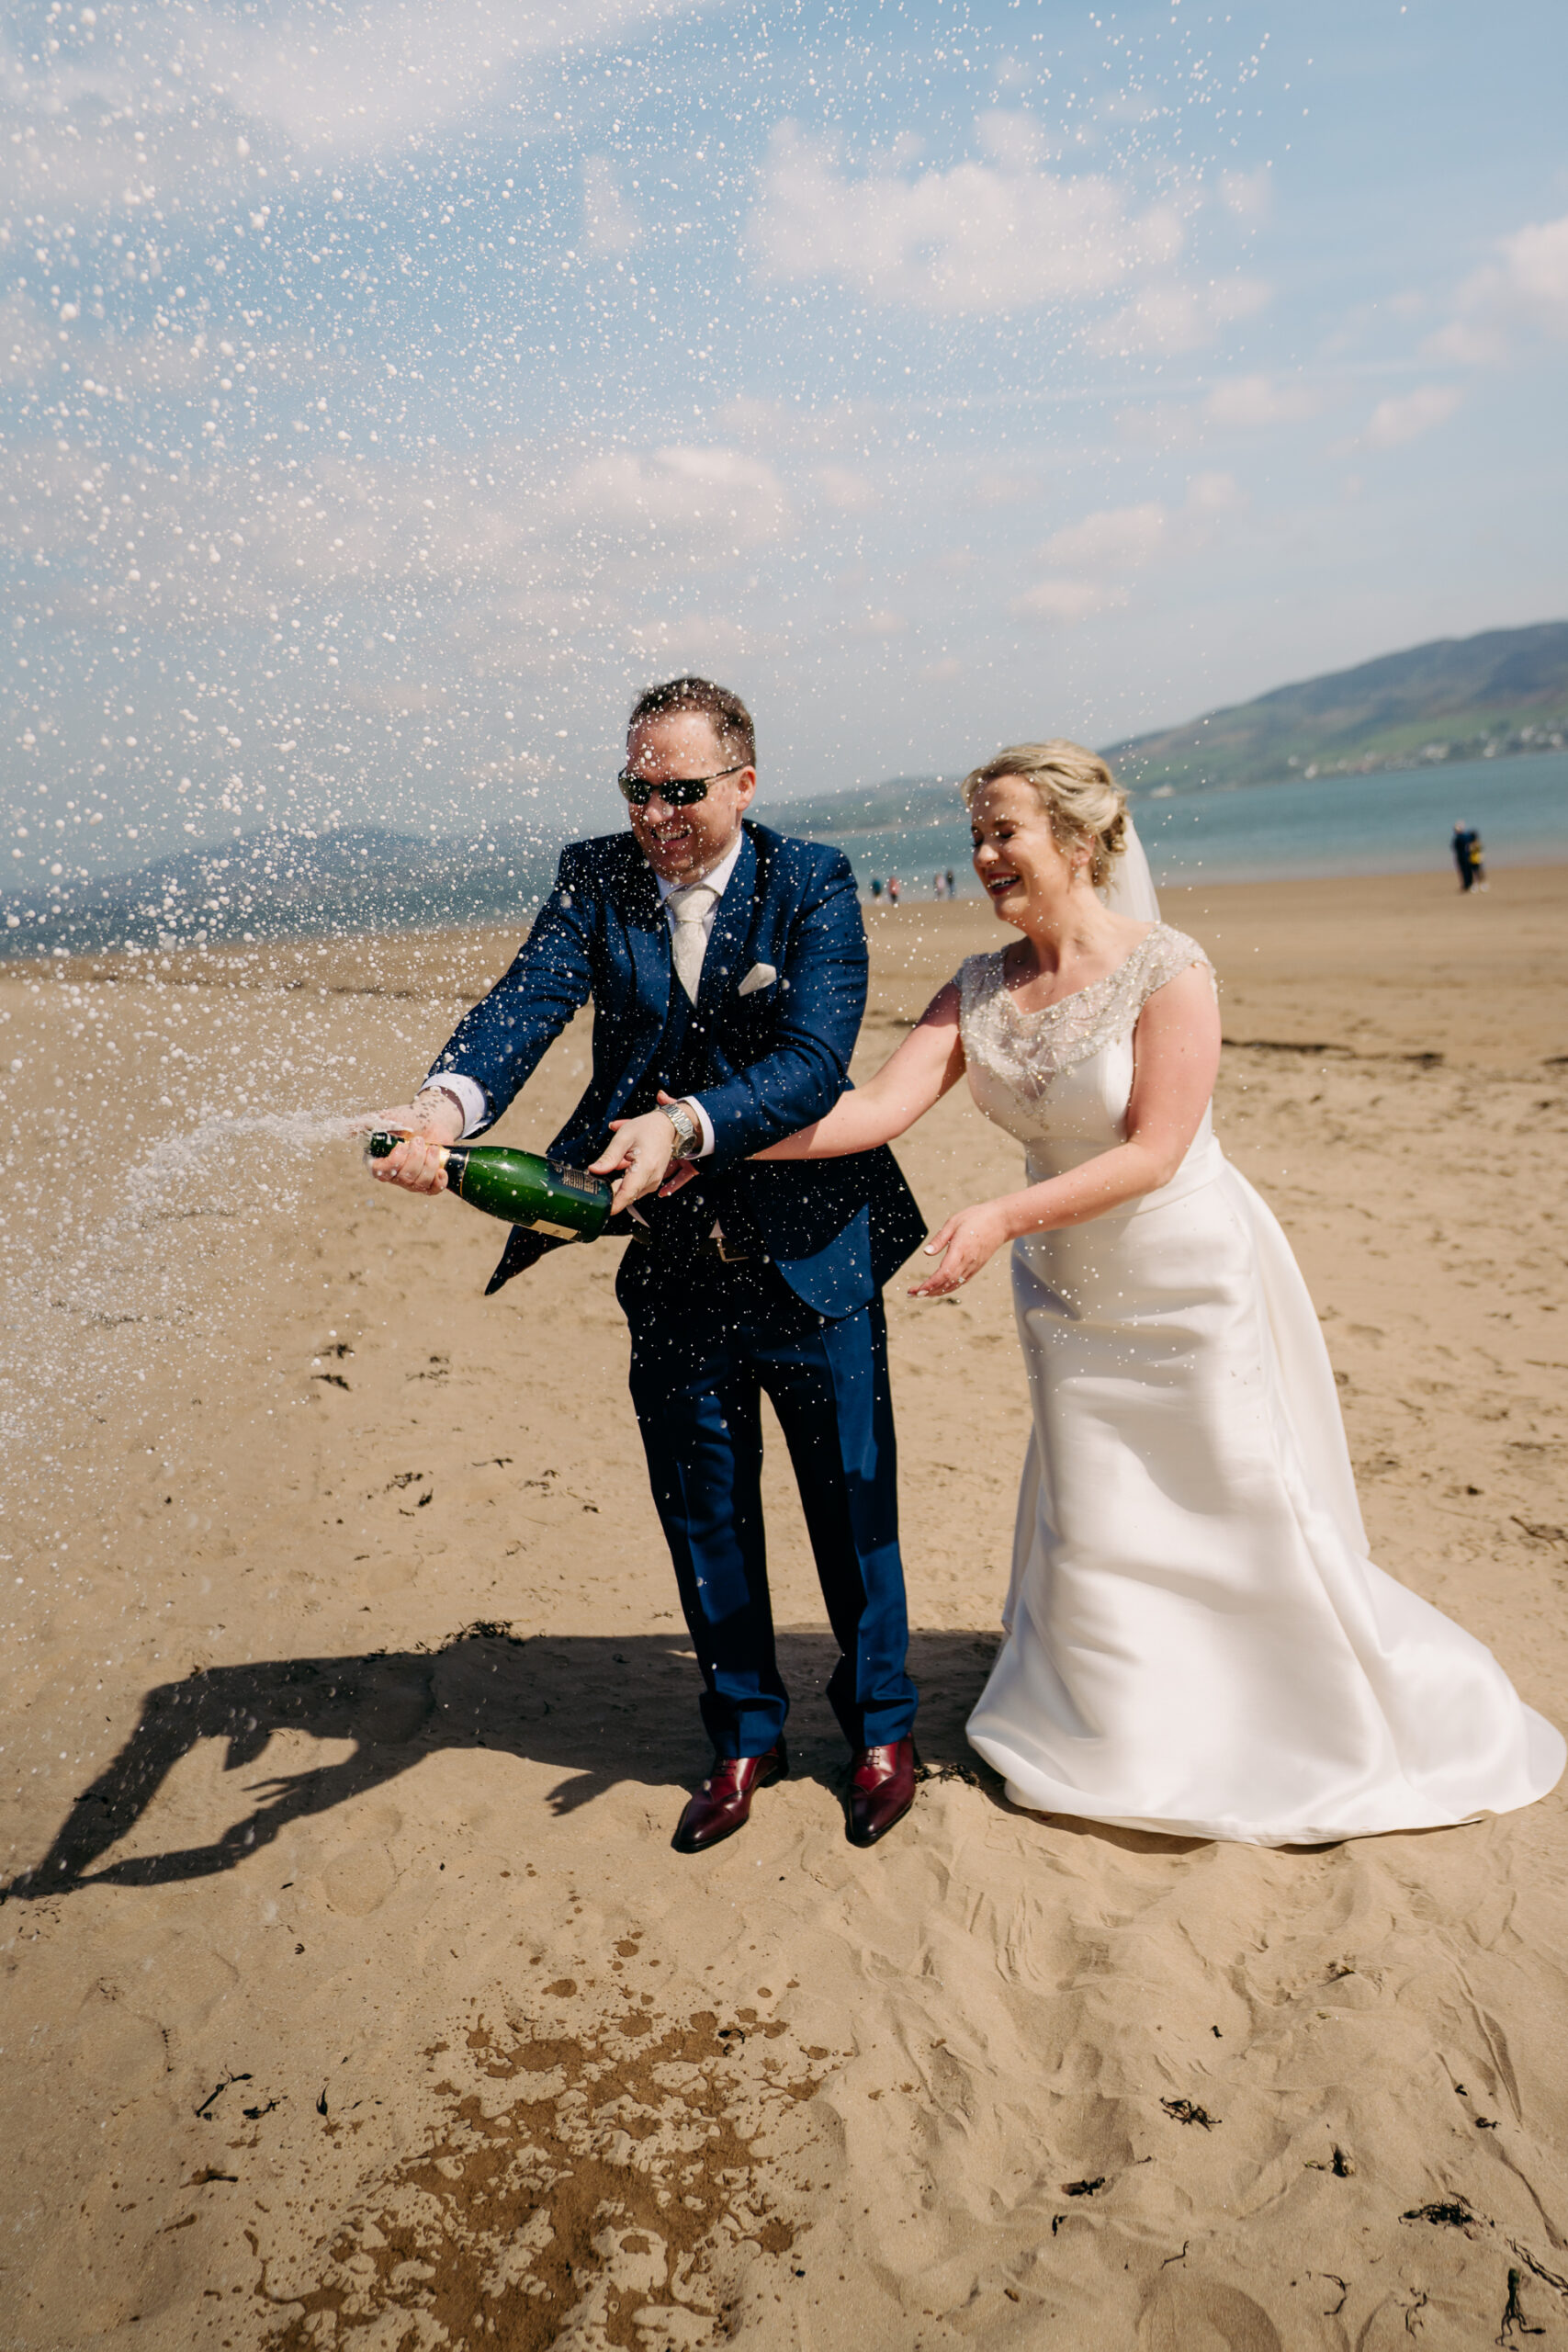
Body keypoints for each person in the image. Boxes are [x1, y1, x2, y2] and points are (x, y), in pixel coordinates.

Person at [757, 741, 1563, 1844]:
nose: (986, 854)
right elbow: (874, 1111)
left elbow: (1156, 1150)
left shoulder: (1167, 967)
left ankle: (1312, 1720)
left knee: (1233, 1494)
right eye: (977, 836)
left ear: (1079, 843)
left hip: (1185, 1276)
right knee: (1097, 1510)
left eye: (1007, 832)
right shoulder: (978, 985)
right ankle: (1124, 1727)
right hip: (1067, 1291)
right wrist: (711, 1135)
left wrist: (997, 1215)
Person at [367, 678, 926, 1855]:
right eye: (637, 788)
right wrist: (438, 1108)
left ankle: (881, 1728)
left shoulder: (812, 878)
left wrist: (682, 1125)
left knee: (852, 1505)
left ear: (743, 784)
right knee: (702, 1512)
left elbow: (818, 1059)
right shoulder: (593, 877)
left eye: (681, 790)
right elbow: (524, 1005)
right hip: (671, 1267)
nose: (656, 813)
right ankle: (742, 1737)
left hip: (811, 1259)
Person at [1451, 820, 1478, 891]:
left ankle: (1467, 884)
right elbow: (1474, 836)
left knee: (1465, 871)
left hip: (1463, 856)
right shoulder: (1465, 836)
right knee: (1467, 871)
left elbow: (1454, 848)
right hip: (1466, 855)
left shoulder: (1459, 838)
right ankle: (1469, 884)